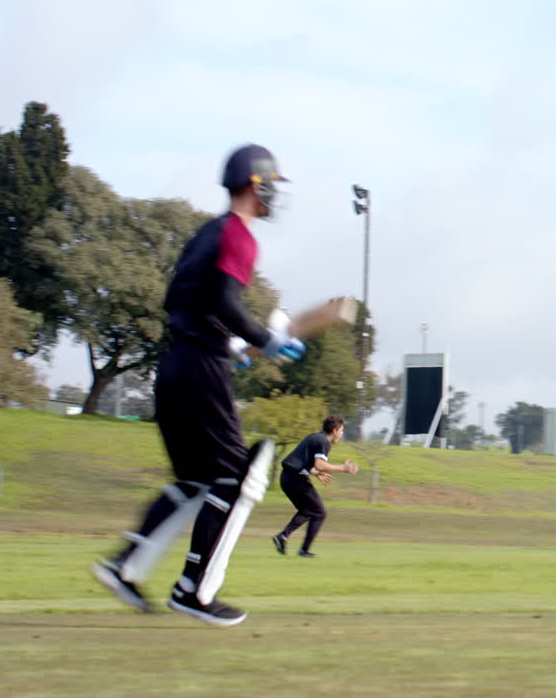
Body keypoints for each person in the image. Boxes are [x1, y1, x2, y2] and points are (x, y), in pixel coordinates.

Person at [90, 144, 303, 627]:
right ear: (256, 183)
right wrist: (263, 339)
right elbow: (226, 301)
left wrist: (225, 347)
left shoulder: (204, 234)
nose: (274, 194)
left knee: (193, 484)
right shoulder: (239, 235)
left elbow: (181, 301)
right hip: (201, 368)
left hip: (176, 366)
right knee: (238, 479)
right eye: (271, 184)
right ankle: (194, 591)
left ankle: (125, 566)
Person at [272, 416, 358, 558]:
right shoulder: (324, 441)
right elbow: (320, 464)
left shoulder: (316, 437)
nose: (342, 434)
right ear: (335, 430)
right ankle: (303, 550)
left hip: (287, 477)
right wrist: (343, 468)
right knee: (319, 513)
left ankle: (283, 537)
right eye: (341, 430)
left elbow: (301, 461)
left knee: (308, 511)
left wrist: (316, 473)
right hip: (295, 478)